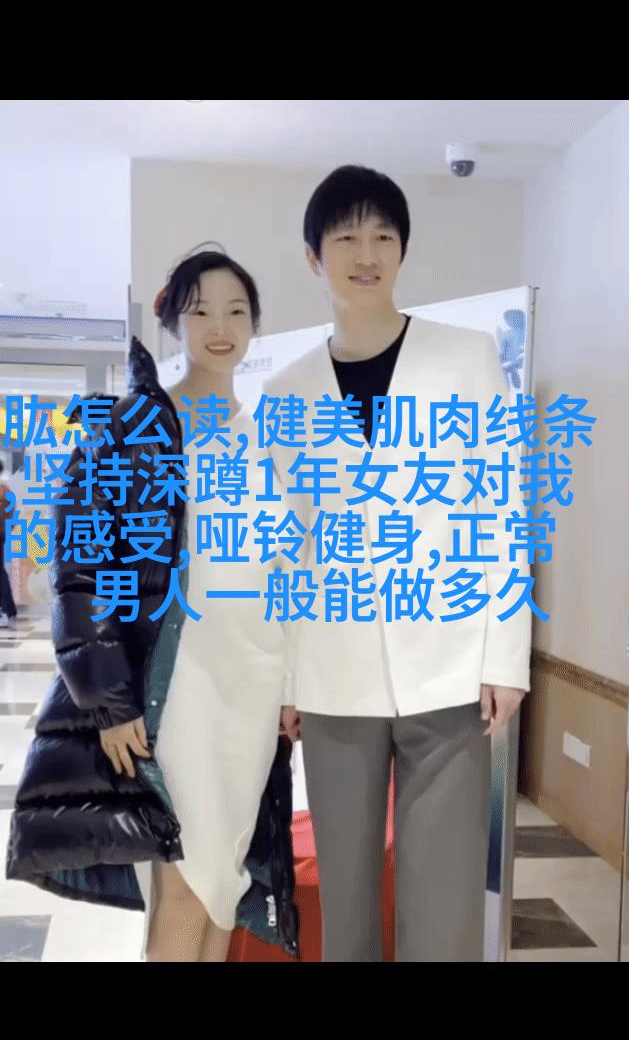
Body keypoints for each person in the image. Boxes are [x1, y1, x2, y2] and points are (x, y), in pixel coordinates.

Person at [269, 165, 532, 962]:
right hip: (333, 672)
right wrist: (287, 680)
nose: (366, 253)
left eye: (383, 235)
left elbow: (501, 512)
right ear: (314, 256)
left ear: (403, 250)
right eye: (346, 236)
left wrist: (505, 655)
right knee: (345, 895)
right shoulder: (287, 390)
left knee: (442, 899)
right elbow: (288, 546)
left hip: (449, 665)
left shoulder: (465, 358)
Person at [6, 249, 298, 962]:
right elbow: (82, 571)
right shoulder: (130, 428)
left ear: (255, 323)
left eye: (236, 311)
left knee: (226, 877)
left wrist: (293, 684)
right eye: (201, 311)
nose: (220, 327)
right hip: (178, 683)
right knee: (185, 878)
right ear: (173, 322)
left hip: (253, 686)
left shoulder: (269, 435)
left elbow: (290, 568)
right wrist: (109, 702)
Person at [0, 457, 18, 629]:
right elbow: (12, 514)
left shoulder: (2, 491)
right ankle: (8, 609)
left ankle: (8, 610)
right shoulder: (6, 490)